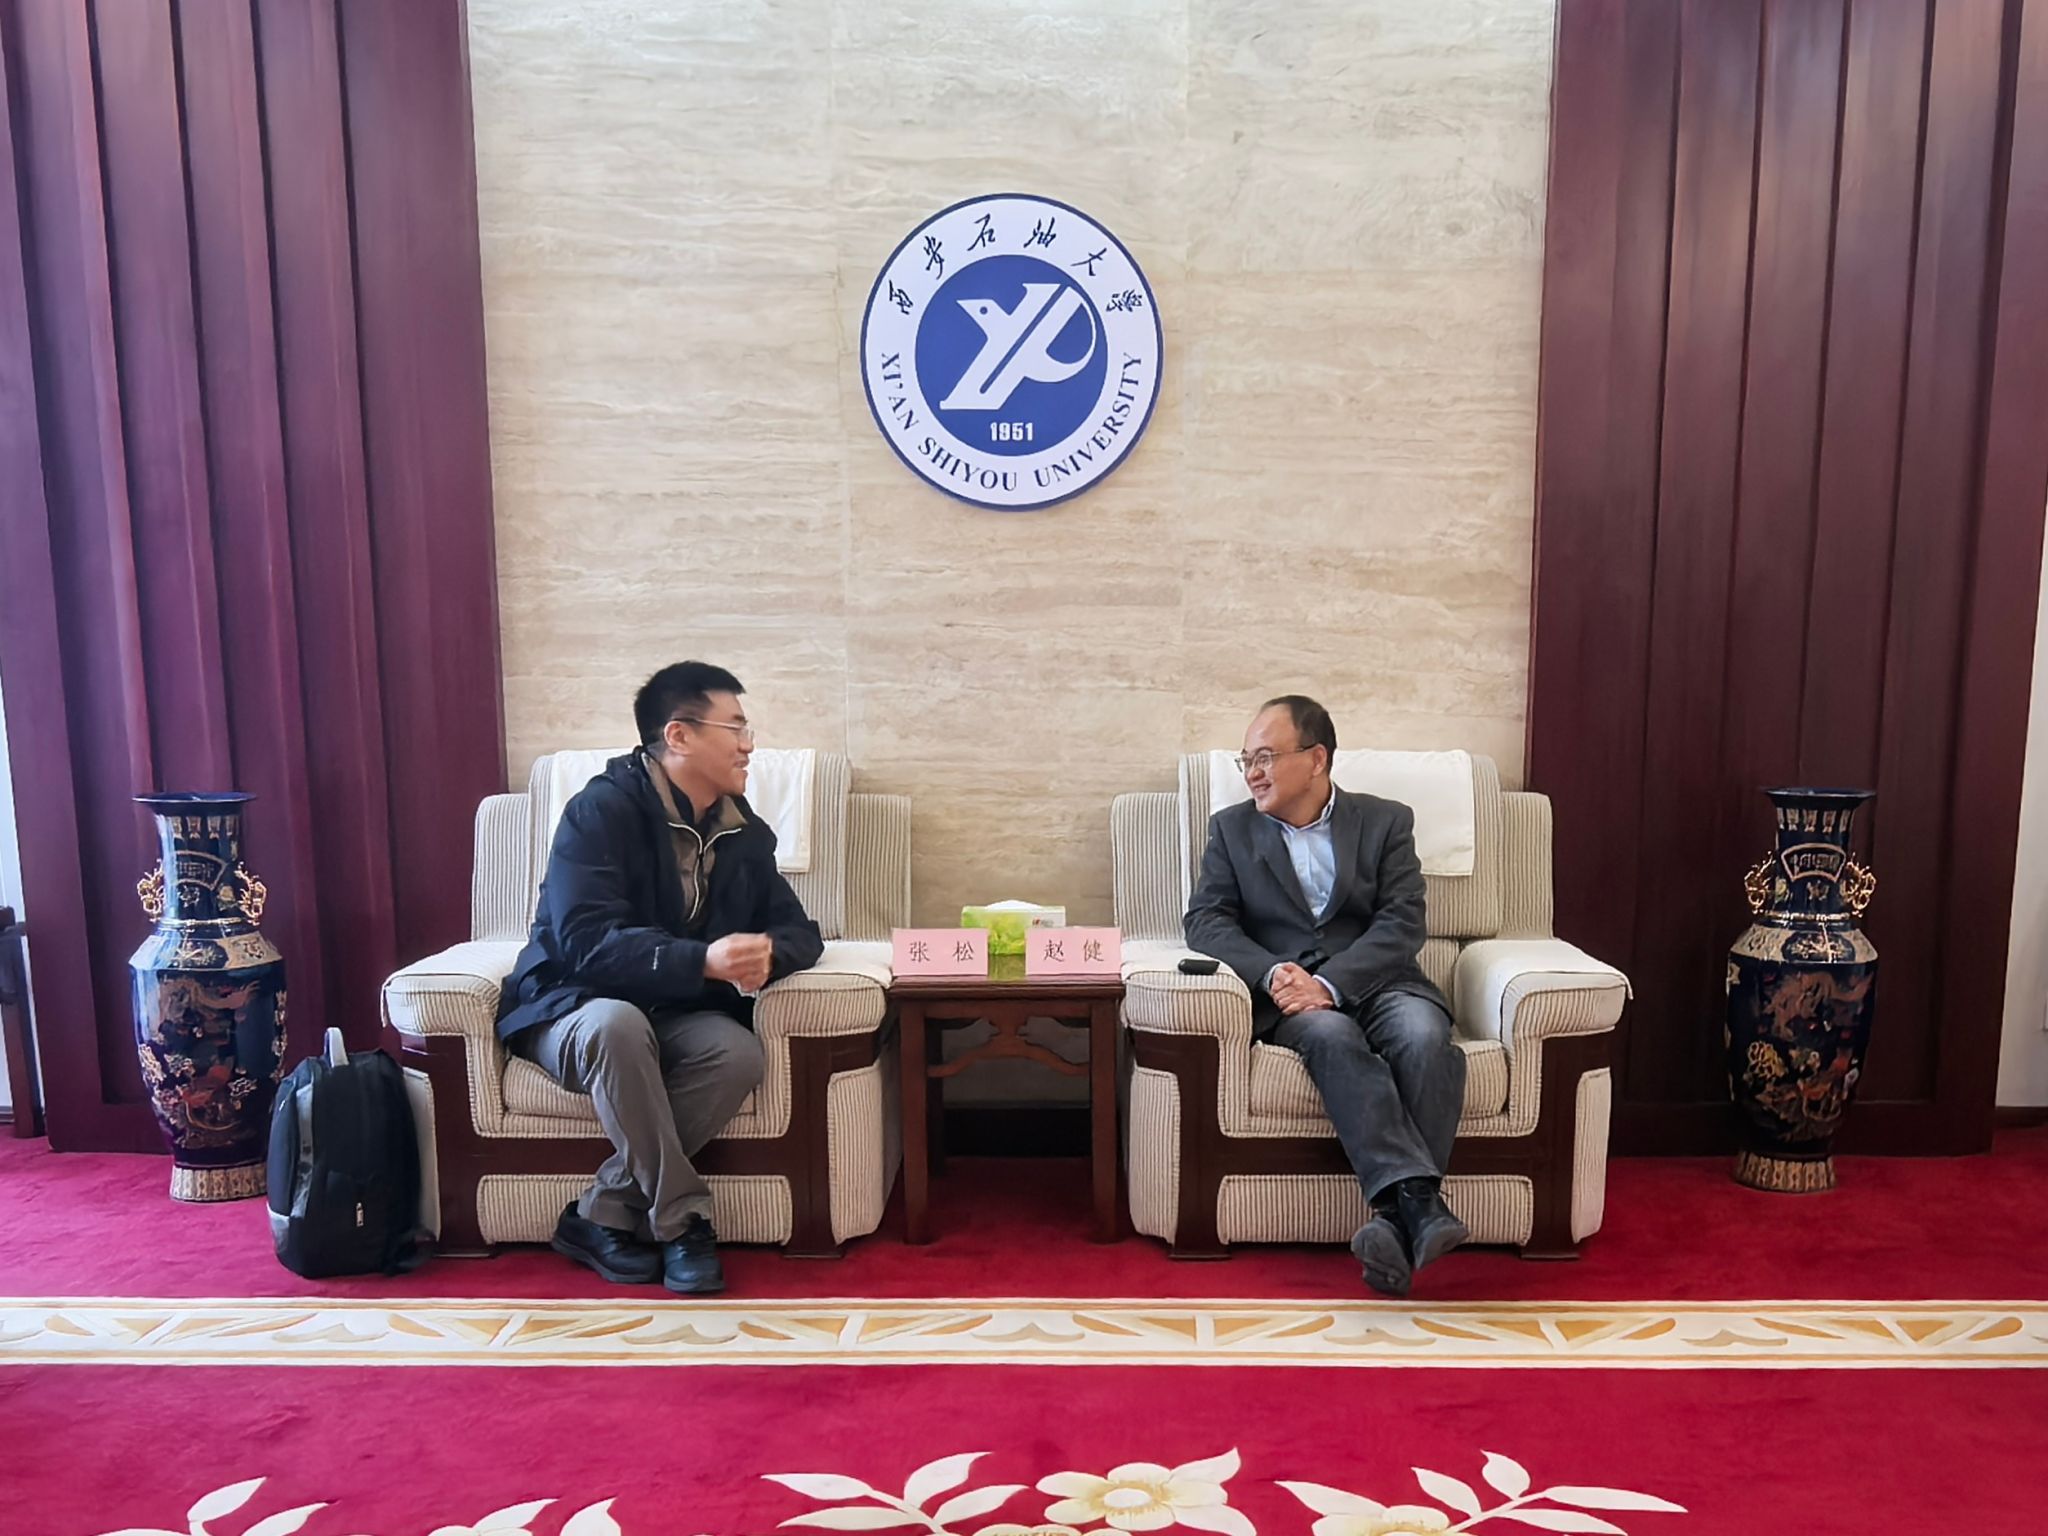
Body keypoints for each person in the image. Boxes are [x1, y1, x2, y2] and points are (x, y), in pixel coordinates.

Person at [496, 661, 823, 1292]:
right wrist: (700, 961)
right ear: (679, 735)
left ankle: (599, 1213)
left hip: (673, 1012)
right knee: (617, 1025)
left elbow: (799, 930)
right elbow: (583, 942)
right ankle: (681, 1222)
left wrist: (767, 954)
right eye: (736, 728)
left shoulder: (742, 830)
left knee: (735, 1054)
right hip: (570, 1006)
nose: (749, 745)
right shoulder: (599, 811)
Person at [1185, 695, 1468, 1296]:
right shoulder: (1231, 830)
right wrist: (1271, 974)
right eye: (1246, 760)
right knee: (1331, 1036)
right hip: (1290, 996)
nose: (1253, 773)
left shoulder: (1386, 821)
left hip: (1382, 981)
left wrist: (1333, 982)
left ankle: (1395, 1219)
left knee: (1424, 1035)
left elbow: (1402, 923)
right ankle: (1420, 1207)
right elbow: (1206, 921)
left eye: (1266, 757)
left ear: (1317, 759)